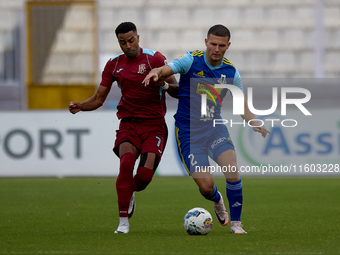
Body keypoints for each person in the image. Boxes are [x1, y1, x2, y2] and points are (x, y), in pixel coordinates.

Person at [143, 24, 270, 234]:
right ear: (206, 43)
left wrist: (255, 122)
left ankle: (236, 224)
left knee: (231, 167)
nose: (216, 49)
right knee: (206, 186)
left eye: (221, 45)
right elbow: (168, 69)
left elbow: (241, 106)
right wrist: (157, 72)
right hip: (188, 132)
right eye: (213, 44)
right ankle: (217, 199)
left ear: (228, 45)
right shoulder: (191, 60)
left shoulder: (231, 73)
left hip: (214, 128)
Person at [69, 22, 178, 234]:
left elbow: (177, 90)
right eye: (122, 42)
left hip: (154, 126)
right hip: (128, 125)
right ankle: (123, 223)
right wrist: (80, 106)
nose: (127, 46)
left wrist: (162, 84)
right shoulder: (113, 65)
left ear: (138, 37)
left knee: (144, 177)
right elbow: (99, 99)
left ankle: (130, 191)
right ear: (118, 43)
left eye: (131, 40)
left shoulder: (154, 59)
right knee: (126, 164)